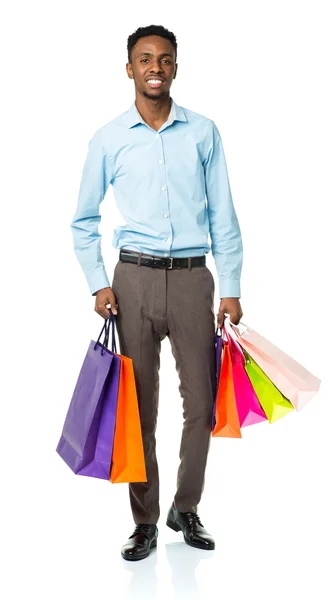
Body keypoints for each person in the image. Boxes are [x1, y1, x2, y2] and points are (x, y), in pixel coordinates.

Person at [71, 24, 244, 561]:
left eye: (164, 59)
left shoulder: (204, 132)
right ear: (129, 69)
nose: (155, 67)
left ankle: (184, 508)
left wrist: (231, 287)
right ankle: (144, 520)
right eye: (144, 58)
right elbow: (82, 219)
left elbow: (223, 215)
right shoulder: (108, 138)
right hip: (134, 283)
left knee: (203, 404)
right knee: (138, 405)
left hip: (195, 280)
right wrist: (98, 282)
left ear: (175, 67)